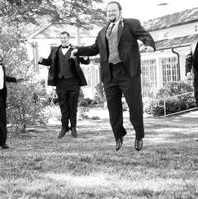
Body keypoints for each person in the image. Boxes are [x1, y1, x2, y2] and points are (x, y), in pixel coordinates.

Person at [72, 1, 155, 151]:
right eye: (108, 11)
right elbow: (94, 49)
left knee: (135, 106)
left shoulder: (131, 24)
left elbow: (144, 35)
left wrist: (149, 44)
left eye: (113, 10)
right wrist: (78, 50)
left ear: (120, 11)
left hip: (128, 72)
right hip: (109, 74)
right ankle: (118, 136)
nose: (111, 13)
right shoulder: (102, 31)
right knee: (113, 108)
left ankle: (139, 136)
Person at [38, 31, 90, 139]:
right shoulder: (55, 50)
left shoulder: (75, 49)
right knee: (63, 106)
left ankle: (73, 128)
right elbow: (49, 62)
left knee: (73, 106)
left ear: (69, 38)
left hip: (73, 82)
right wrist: (41, 60)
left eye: (65, 37)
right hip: (60, 82)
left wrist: (85, 56)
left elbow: (85, 62)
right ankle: (64, 127)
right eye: (61, 37)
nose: (63, 39)